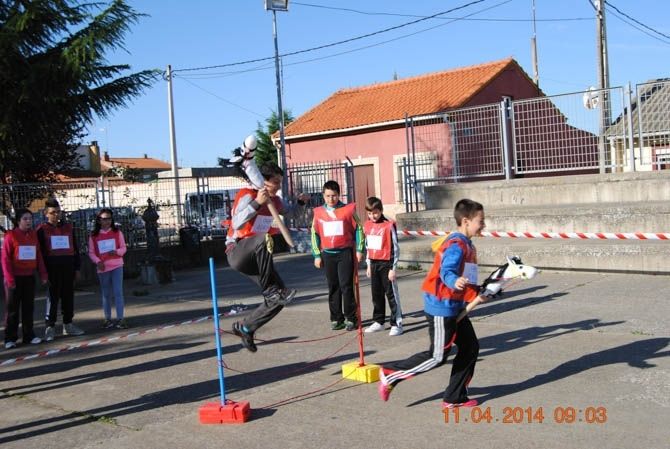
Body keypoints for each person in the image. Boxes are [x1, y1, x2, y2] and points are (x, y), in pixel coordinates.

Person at [377, 198, 486, 409]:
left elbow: (469, 277)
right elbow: (447, 270)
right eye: (480, 221)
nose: (483, 225)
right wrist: (454, 281)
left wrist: (478, 293)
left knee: (470, 347)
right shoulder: (456, 246)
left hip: (455, 305)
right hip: (441, 307)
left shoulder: (467, 244)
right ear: (466, 221)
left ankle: (454, 397)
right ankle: (390, 373)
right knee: (437, 357)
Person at [228, 162, 308, 353]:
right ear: (263, 181)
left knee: (280, 298)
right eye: (275, 182)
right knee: (264, 239)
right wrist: (257, 203)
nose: (279, 186)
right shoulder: (248, 195)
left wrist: (301, 203)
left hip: (260, 257)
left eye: (280, 182)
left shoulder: (275, 201)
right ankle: (270, 289)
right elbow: (237, 222)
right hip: (239, 252)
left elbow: (292, 214)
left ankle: (246, 328)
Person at [311, 180, 365, 331]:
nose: (331, 199)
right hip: (328, 255)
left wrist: (359, 250)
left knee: (346, 286)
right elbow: (314, 234)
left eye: (334, 195)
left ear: (339, 195)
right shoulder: (318, 213)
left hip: (344, 253)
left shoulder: (348, 210)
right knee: (333, 287)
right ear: (323, 195)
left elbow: (359, 229)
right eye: (328, 196)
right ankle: (336, 318)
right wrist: (316, 255)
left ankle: (351, 318)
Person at [37, 198, 84, 341]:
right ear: (46, 213)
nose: (56, 215)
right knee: (53, 298)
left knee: (68, 297)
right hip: (52, 270)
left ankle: (68, 324)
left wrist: (77, 268)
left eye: (58, 212)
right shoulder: (41, 230)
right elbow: (39, 254)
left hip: (68, 268)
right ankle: (50, 327)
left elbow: (75, 249)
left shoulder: (68, 228)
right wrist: (43, 273)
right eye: (53, 212)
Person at [2, 208, 48, 349]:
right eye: (25, 219)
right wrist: (10, 279)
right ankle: (10, 338)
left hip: (29, 276)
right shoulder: (11, 236)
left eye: (30, 218)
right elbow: (5, 259)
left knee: (28, 307)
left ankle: (29, 335)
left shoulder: (33, 235)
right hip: (14, 278)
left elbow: (38, 255)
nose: (28, 221)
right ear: (18, 221)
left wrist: (43, 274)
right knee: (13, 309)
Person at [362, 197, 403, 336]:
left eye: (375, 213)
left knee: (391, 295)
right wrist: (368, 264)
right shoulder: (367, 225)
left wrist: (393, 268)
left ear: (380, 211)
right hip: (374, 264)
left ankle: (397, 323)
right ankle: (379, 321)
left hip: (387, 264)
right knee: (376, 294)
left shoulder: (389, 225)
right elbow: (368, 246)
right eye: (369, 213)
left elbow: (395, 248)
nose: (372, 216)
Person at [88, 208, 128, 329]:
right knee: (106, 294)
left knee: (118, 292)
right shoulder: (94, 236)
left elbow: (123, 248)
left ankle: (120, 318)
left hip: (117, 265)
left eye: (109, 218)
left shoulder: (117, 232)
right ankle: (107, 319)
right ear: (99, 220)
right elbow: (91, 253)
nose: (107, 221)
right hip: (103, 267)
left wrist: (116, 252)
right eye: (104, 219)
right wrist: (98, 261)